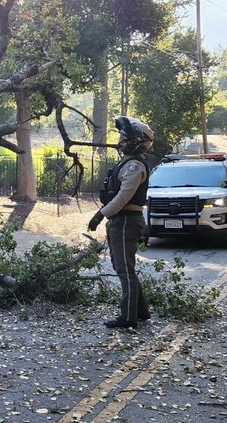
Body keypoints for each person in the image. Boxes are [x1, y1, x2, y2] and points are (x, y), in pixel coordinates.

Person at [88, 116, 155, 329]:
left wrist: (100, 215)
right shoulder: (127, 163)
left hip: (127, 220)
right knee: (123, 266)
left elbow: (123, 197)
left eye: (125, 140)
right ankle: (141, 312)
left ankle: (128, 317)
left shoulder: (135, 166)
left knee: (125, 269)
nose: (120, 143)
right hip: (121, 219)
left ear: (137, 142)